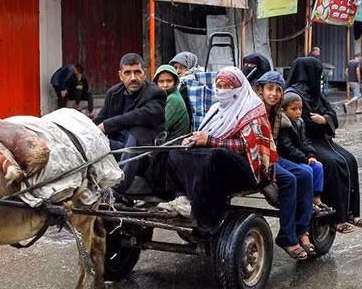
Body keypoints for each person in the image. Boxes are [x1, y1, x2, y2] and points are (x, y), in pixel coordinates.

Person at [160, 67, 277, 234]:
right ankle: (181, 198)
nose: (222, 91)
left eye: (227, 86)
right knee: (176, 151)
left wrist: (210, 141)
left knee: (214, 156)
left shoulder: (251, 108)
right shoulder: (217, 108)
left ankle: (206, 216)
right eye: (219, 86)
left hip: (250, 169)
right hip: (222, 163)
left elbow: (250, 147)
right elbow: (206, 134)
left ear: (238, 87)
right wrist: (193, 140)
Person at [285, 56, 362, 234]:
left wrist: (324, 119)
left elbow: (332, 114)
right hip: (304, 142)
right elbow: (302, 121)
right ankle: (336, 218)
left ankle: (351, 212)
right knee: (332, 163)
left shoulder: (315, 93)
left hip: (323, 140)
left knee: (350, 160)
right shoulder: (293, 94)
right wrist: (321, 120)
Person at [254, 71, 315, 259]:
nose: (273, 94)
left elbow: (275, 142)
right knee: (289, 180)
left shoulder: (278, 112)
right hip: (257, 157)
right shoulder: (255, 109)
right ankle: (287, 237)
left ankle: (302, 230)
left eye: (278, 90)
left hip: (272, 156)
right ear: (261, 90)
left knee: (306, 174)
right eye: (269, 89)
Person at [94, 53, 166, 193]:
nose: (133, 78)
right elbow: (98, 120)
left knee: (138, 130)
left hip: (145, 155)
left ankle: (119, 188)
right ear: (121, 75)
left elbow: (142, 115)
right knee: (93, 138)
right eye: (128, 73)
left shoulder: (156, 93)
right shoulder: (114, 94)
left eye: (137, 72)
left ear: (144, 73)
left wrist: (107, 125)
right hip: (119, 150)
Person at [153, 64, 190, 141]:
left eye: (169, 81)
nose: (165, 85)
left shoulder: (173, 99)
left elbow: (160, 126)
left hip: (173, 145)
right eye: (161, 81)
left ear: (175, 82)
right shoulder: (163, 96)